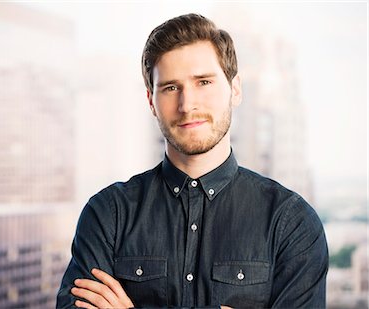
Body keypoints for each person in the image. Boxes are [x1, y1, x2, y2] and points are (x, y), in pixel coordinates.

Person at [56, 13, 328, 308]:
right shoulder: (109, 214)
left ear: (235, 89)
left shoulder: (290, 224)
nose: (188, 105)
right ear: (151, 101)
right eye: (171, 88)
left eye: (204, 82)